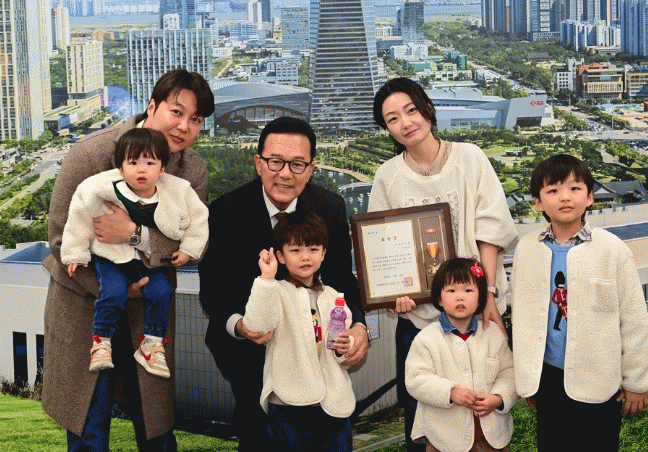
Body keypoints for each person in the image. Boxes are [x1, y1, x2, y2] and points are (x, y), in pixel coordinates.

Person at [42, 68, 214, 451]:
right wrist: (115, 289)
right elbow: (60, 238)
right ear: (151, 107)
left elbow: (187, 241)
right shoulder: (91, 153)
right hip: (86, 304)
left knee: (155, 430)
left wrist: (135, 234)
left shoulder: (192, 169)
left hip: (148, 313)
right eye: (177, 111)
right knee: (89, 428)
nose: (184, 126)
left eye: (196, 119)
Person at [199, 116, 368, 451]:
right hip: (250, 356)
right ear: (258, 163)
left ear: (311, 168)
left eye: (297, 164)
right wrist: (240, 326)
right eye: (275, 162)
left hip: (318, 354)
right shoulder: (224, 212)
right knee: (260, 439)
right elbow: (213, 290)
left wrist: (359, 326)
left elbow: (340, 278)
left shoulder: (329, 206)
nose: (286, 174)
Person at [368, 77, 518, 451]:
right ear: (387, 129)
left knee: (484, 412)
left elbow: (490, 229)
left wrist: (488, 294)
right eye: (392, 119)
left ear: (428, 109)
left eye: (411, 110)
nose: (405, 123)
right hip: (420, 321)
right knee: (425, 421)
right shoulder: (387, 176)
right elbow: (382, 248)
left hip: (477, 309)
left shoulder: (469, 158)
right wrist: (394, 295)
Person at [511, 154, 648, 451]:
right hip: (547, 376)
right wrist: (527, 377)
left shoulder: (612, 250)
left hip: (598, 376)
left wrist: (637, 382)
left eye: (575, 188)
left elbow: (635, 319)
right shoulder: (527, 249)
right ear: (538, 202)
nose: (565, 197)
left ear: (589, 197)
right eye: (553, 190)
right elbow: (521, 317)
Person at [61, 128, 208, 378]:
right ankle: (101, 342)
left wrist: (188, 250)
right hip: (111, 256)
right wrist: (75, 252)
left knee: (161, 291)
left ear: (162, 169)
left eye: (150, 163)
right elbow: (80, 217)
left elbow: (198, 221)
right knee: (113, 292)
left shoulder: (178, 191)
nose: (142, 170)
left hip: (150, 261)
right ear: (120, 168)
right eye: (133, 163)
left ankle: (152, 344)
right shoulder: (102, 190)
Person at [242, 211, 356, 452]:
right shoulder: (275, 292)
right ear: (281, 256)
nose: (305, 257)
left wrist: (347, 347)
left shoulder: (334, 297)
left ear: (323, 253)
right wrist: (266, 278)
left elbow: (343, 353)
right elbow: (257, 326)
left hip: (334, 405)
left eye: (313, 249)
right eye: (295, 250)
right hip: (288, 404)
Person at [404, 257, 516, 452]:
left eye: (468, 290)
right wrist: (450, 392)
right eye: (451, 290)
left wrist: (498, 397)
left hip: (492, 439)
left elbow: (510, 372)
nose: (460, 297)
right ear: (439, 298)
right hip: (443, 440)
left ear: (480, 298)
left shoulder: (492, 334)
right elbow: (416, 379)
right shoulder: (427, 338)